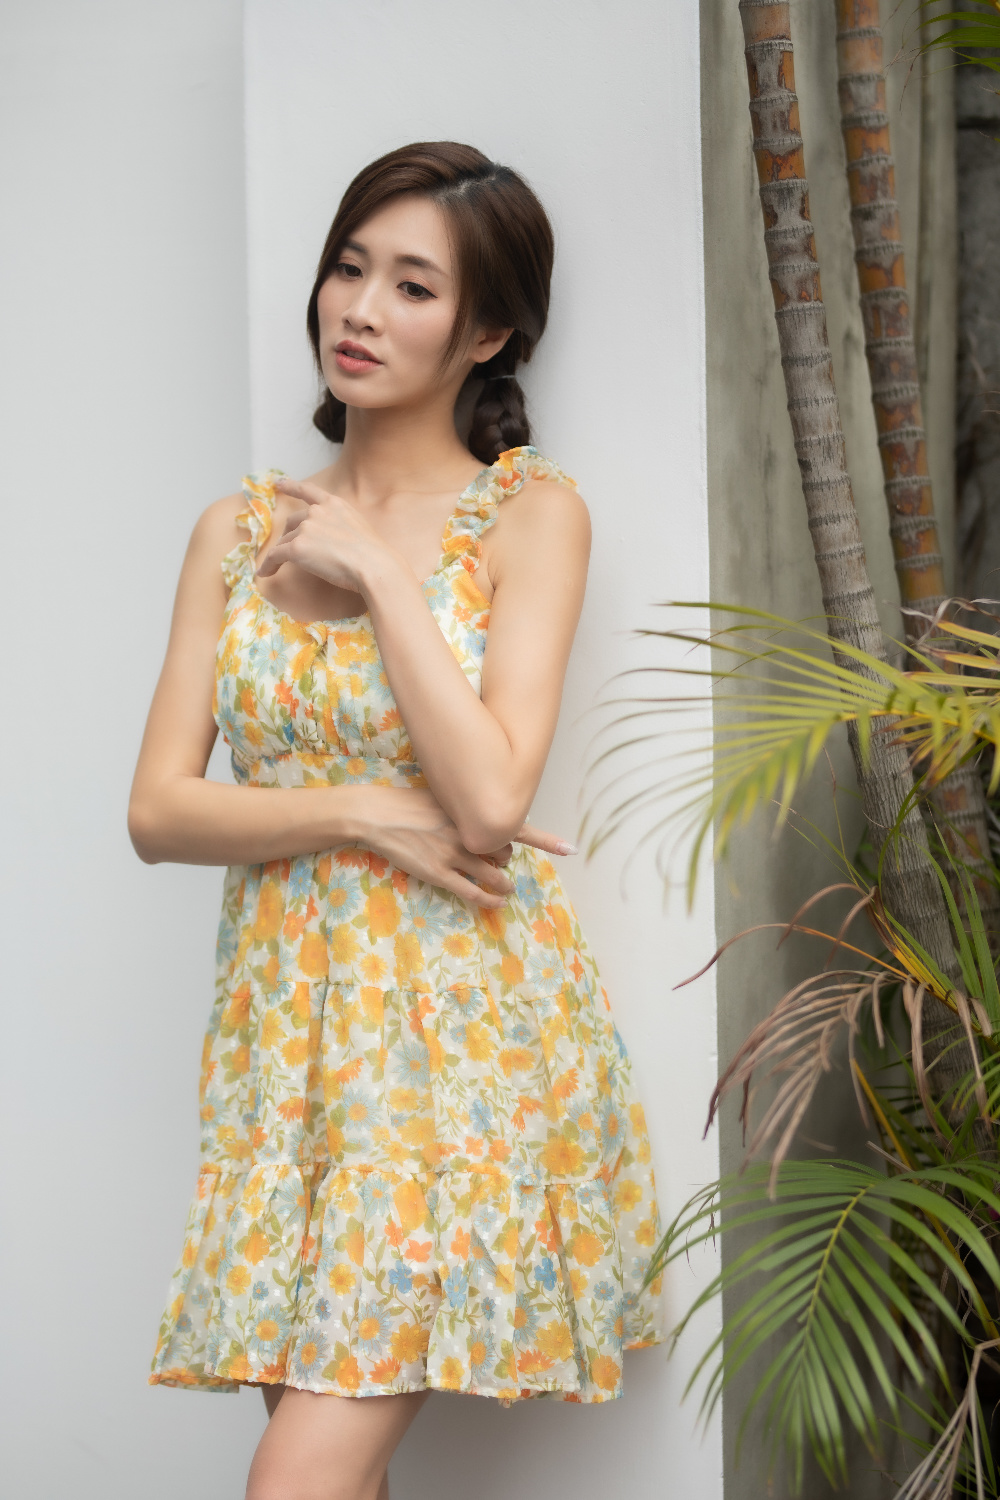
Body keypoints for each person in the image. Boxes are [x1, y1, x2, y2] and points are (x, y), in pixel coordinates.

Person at [130, 140, 664, 1500]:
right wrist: (366, 809)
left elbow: (489, 798)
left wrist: (377, 570)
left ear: (487, 333)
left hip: (456, 1054)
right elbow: (158, 810)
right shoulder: (235, 530)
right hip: (281, 1048)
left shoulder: (531, 515)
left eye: (413, 287)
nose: (360, 311)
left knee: (295, 1482)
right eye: (349, 269)